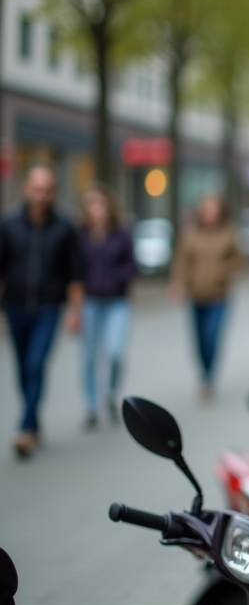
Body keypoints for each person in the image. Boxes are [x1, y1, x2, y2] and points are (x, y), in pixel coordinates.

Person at [0, 165, 83, 457]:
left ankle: (25, 427)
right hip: (15, 305)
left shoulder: (64, 227)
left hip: (49, 306)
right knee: (23, 367)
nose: (41, 195)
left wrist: (75, 311)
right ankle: (33, 421)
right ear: (26, 189)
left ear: (54, 193)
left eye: (47, 190)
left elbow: (74, 272)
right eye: (36, 189)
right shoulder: (9, 224)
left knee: (36, 364)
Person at [170, 194, 242, 399]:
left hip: (219, 295)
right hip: (196, 294)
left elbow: (239, 260)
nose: (210, 213)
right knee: (199, 339)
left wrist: (223, 269)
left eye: (214, 209)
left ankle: (209, 376)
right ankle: (203, 371)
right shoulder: (190, 234)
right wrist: (179, 283)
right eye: (206, 209)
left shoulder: (228, 233)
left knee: (212, 336)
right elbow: (181, 262)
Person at [77, 182, 137, 428]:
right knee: (89, 356)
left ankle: (110, 394)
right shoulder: (79, 235)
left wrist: (116, 278)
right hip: (90, 301)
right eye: (91, 204)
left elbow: (133, 265)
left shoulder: (121, 234)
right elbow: (72, 267)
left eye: (100, 204)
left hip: (117, 301)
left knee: (115, 352)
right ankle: (91, 406)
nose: (96, 209)